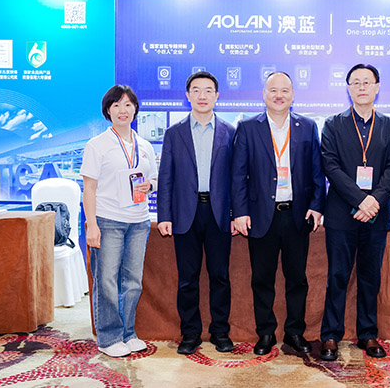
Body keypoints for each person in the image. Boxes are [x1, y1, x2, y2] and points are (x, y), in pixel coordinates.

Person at [232, 71, 326, 355]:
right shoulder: (248, 127)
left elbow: (317, 171)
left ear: (293, 95)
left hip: (297, 215)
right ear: (264, 94)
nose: (279, 95)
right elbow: (238, 175)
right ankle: (265, 333)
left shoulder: (307, 126)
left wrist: (316, 205)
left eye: (285, 90)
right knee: (262, 278)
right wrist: (240, 212)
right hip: (262, 215)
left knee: (297, 278)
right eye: (273, 90)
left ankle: (295, 332)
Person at [319, 64, 390, 361]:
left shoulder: (388, 125)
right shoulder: (333, 124)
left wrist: (373, 201)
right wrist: (360, 200)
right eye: (356, 82)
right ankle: (330, 334)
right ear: (348, 88)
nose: (362, 87)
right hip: (342, 214)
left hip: (376, 215)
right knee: (337, 275)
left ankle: (367, 333)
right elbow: (330, 166)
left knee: (370, 277)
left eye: (367, 82)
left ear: (377, 87)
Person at [157, 71, 236, 355]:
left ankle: (220, 332)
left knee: (220, 277)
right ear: (187, 95)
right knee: (187, 279)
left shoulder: (230, 132)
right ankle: (190, 333)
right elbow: (166, 177)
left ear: (217, 95)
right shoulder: (174, 133)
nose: (202, 96)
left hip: (218, 214)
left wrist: (236, 213)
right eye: (196, 90)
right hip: (185, 214)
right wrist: (164, 215)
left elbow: (238, 178)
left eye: (208, 90)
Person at [81, 85, 157, 358]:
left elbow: (153, 178)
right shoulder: (97, 145)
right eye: (116, 105)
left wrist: (150, 185)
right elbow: (89, 188)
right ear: (108, 111)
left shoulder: (145, 145)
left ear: (135, 109)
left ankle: (128, 333)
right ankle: (109, 337)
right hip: (108, 219)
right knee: (107, 281)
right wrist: (92, 225)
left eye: (127, 105)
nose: (122, 110)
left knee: (133, 281)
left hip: (139, 221)